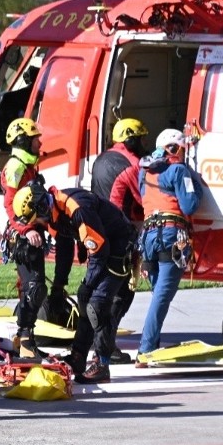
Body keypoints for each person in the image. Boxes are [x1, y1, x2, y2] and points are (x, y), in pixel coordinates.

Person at [12, 176, 137, 383]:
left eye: (36, 221)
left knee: (97, 304)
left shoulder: (77, 209)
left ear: (41, 208)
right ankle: (78, 357)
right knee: (86, 300)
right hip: (103, 246)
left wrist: (87, 284)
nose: (39, 225)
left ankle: (102, 364)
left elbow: (100, 251)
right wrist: (58, 287)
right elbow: (64, 248)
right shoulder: (54, 211)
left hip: (118, 246)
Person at [136, 128, 203, 365]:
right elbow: (190, 206)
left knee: (159, 295)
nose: (184, 154)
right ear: (173, 148)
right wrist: (196, 179)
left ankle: (151, 343)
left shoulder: (143, 173)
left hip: (148, 238)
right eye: (182, 149)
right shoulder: (178, 170)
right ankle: (145, 348)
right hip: (172, 235)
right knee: (162, 297)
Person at [89, 118, 149, 364]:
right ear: (130, 139)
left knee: (102, 287)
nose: (143, 144)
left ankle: (99, 340)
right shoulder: (133, 164)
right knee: (122, 292)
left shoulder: (100, 160)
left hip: (98, 231)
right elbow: (143, 199)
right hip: (122, 233)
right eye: (140, 138)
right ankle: (106, 344)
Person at [0, 117, 48, 358]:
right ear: (23, 141)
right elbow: (10, 204)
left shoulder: (28, 166)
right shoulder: (16, 167)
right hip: (24, 237)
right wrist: (25, 230)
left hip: (33, 232)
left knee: (35, 287)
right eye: (35, 138)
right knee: (35, 287)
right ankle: (26, 338)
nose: (40, 142)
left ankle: (25, 336)